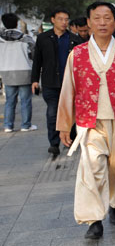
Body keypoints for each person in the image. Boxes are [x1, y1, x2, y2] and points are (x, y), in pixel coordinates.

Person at [56, 1, 115, 239]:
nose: (102, 23)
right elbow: (68, 90)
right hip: (90, 122)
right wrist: (63, 125)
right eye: (96, 18)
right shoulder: (76, 55)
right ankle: (93, 219)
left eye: (107, 18)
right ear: (88, 22)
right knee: (92, 167)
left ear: (114, 22)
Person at [31, 8, 82, 155]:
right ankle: (54, 143)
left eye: (66, 19)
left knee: (70, 111)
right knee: (52, 113)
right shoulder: (43, 38)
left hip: (70, 84)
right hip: (50, 82)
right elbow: (37, 61)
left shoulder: (74, 39)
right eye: (60, 19)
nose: (64, 22)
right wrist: (34, 80)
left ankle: (71, 138)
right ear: (53, 20)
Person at [1, 13, 37, 133]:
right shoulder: (26, 38)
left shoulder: (1, 39)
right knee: (25, 100)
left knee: (10, 101)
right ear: (17, 23)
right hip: (24, 71)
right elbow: (34, 54)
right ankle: (25, 125)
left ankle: (8, 126)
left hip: (7, 72)